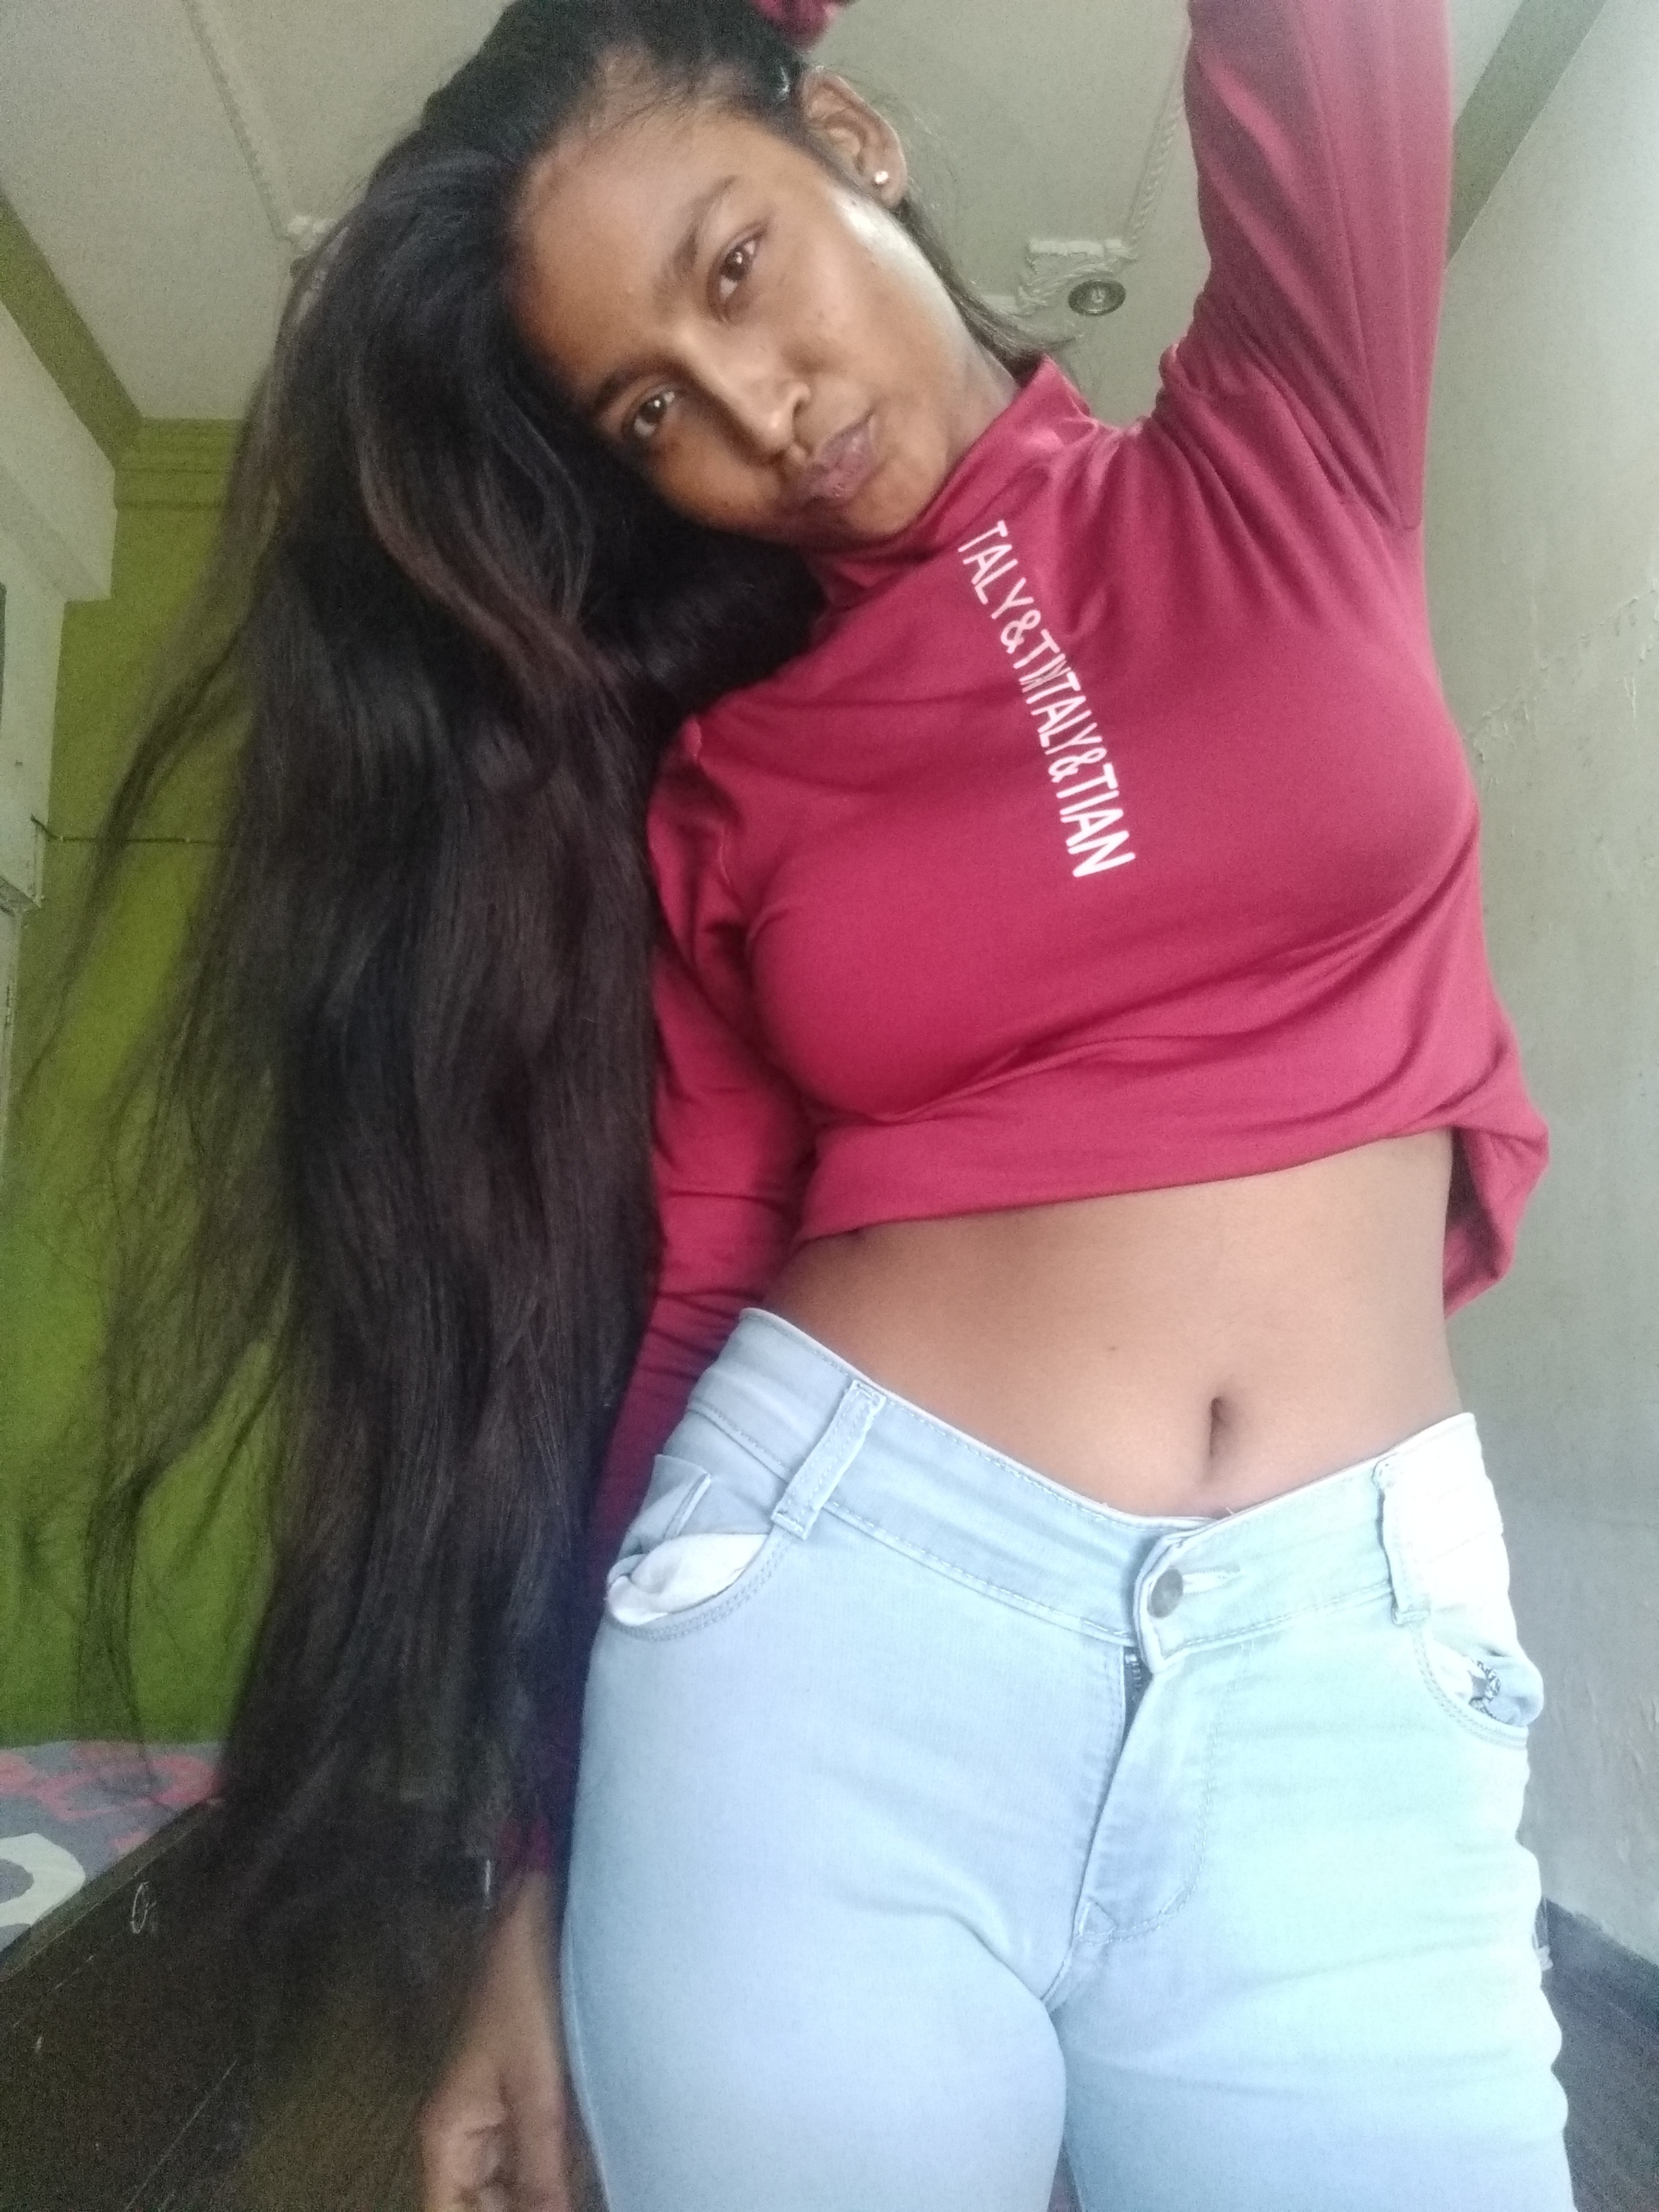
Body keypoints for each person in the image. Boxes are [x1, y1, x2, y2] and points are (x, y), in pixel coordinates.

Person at [73, 0, 1570, 2207]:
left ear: (852, 138)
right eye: (649, 408)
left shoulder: (1284, 454)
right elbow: (683, 1311)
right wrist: (542, 1874)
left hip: (1347, 1674)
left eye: (736, 265)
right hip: (828, 1647)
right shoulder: (731, 787)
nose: (755, 410)